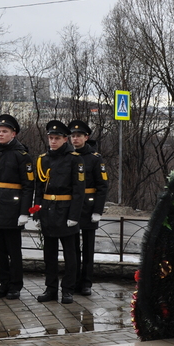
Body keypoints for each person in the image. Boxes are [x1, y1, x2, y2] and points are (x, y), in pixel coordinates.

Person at [0, 114, 34, 300]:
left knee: (13, 251)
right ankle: (3, 283)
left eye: (5, 132)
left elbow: (28, 186)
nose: (1, 135)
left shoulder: (22, 156)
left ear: (14, 134)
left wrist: (24, 212)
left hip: (12, 208)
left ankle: (15, 285)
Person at [32, 120, 86, 304]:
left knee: (70, 255)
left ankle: (68, 289)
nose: (53, 142)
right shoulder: (43, 159)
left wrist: (74, 216)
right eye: (50, 138)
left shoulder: (74, 159)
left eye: (57, 138)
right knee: (49, 255)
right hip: (48, 211)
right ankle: (51, 289)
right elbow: (39, 188)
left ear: (65, 139)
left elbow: (79, 191)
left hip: (66, 212)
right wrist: (37, 211)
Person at [68, 119, 109, 295]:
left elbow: (103, 186)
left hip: (89, 206)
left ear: (86, 137)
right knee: (73, 247)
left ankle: (86, 283)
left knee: (88, 248)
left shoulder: (95, 158)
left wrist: (98, 211)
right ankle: (74, 280)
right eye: (73, 136)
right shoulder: (68, 156)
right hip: (72, 208)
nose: (75, 139)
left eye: (79, 136)